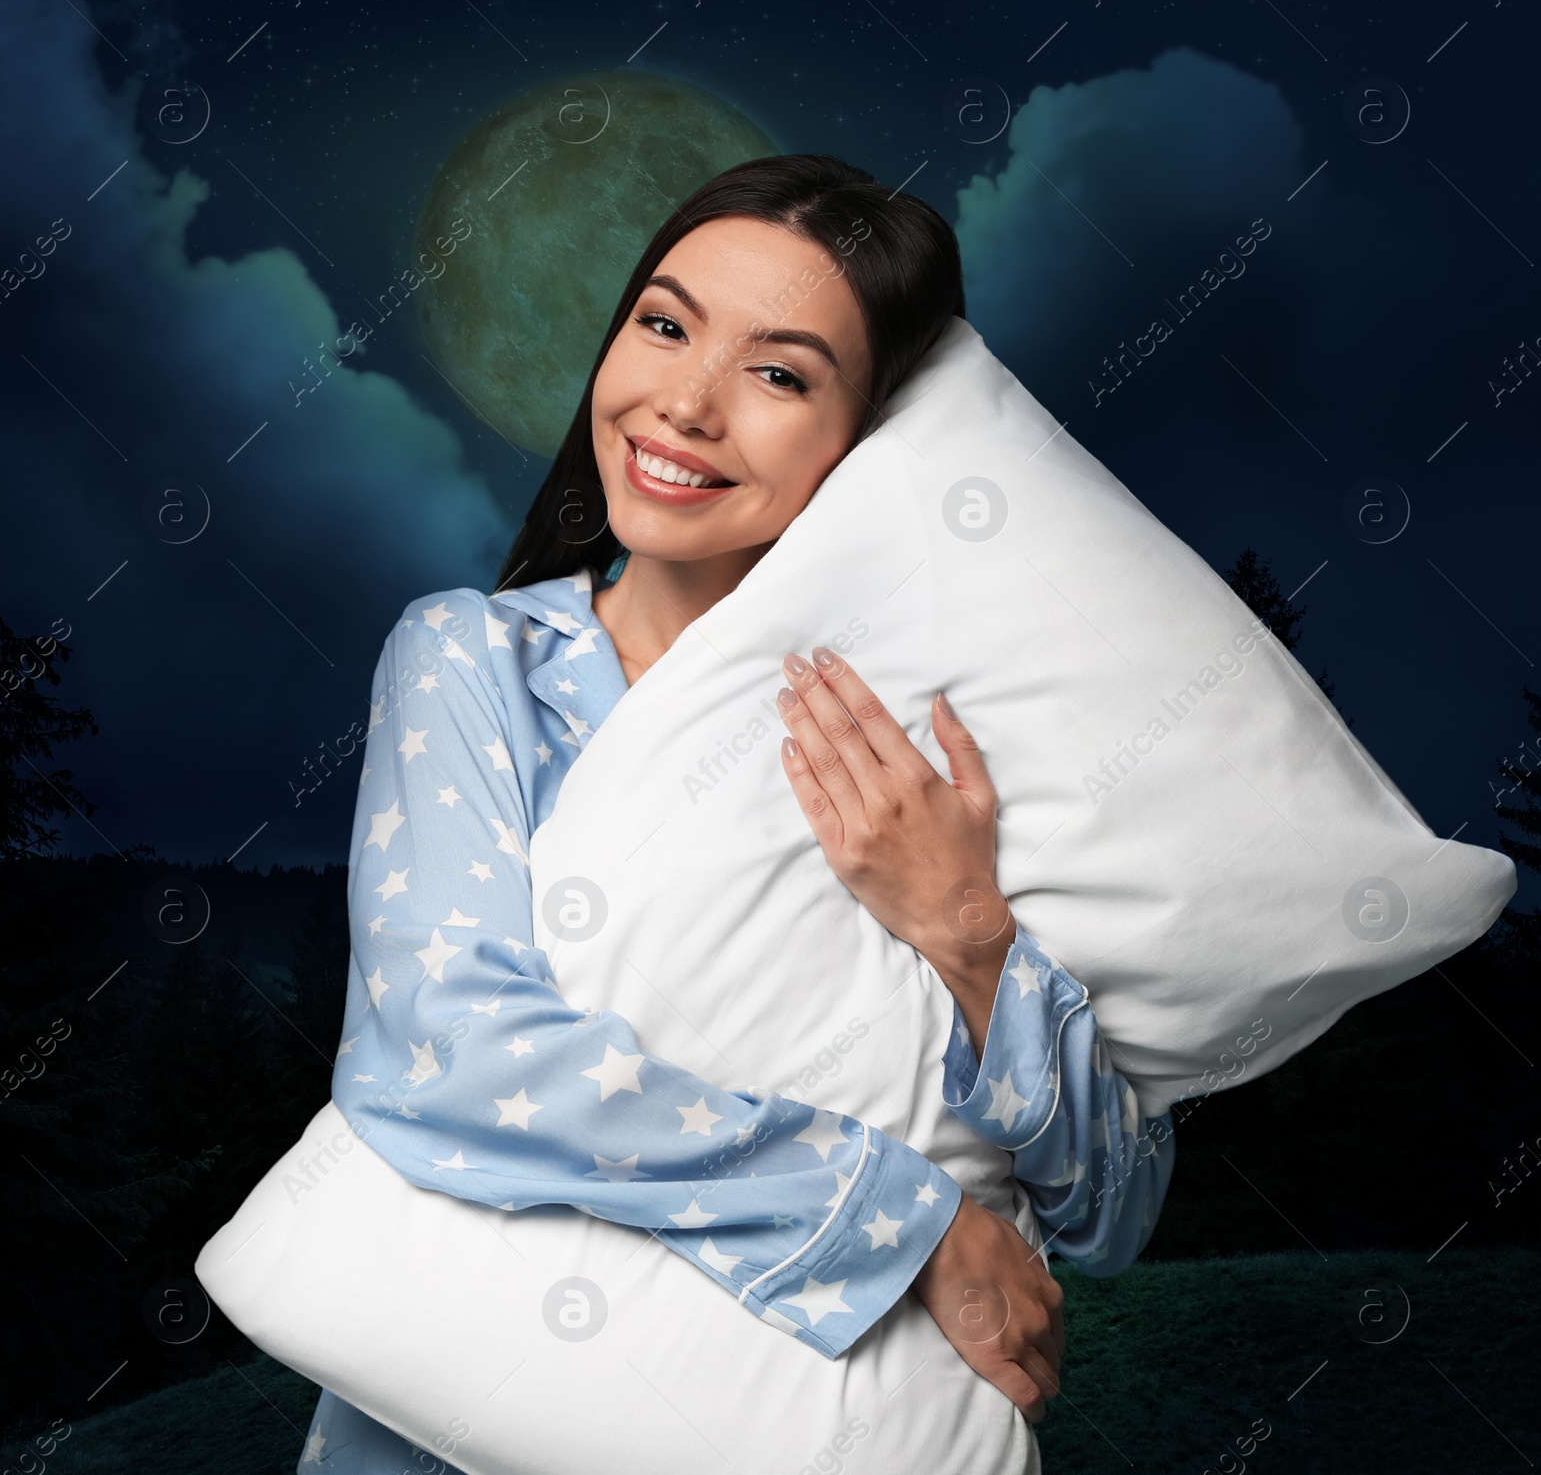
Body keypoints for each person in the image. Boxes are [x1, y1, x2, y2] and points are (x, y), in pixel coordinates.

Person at [300, 154, 1175, 1472]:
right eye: (664, 323)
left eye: (780, 373)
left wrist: (968, 932)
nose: (686, 403)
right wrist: (909, 1221)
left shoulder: (928, 756)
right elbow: (448, 1056)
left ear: (869, 441)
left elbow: (1108, 1212)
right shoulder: (479, 667)